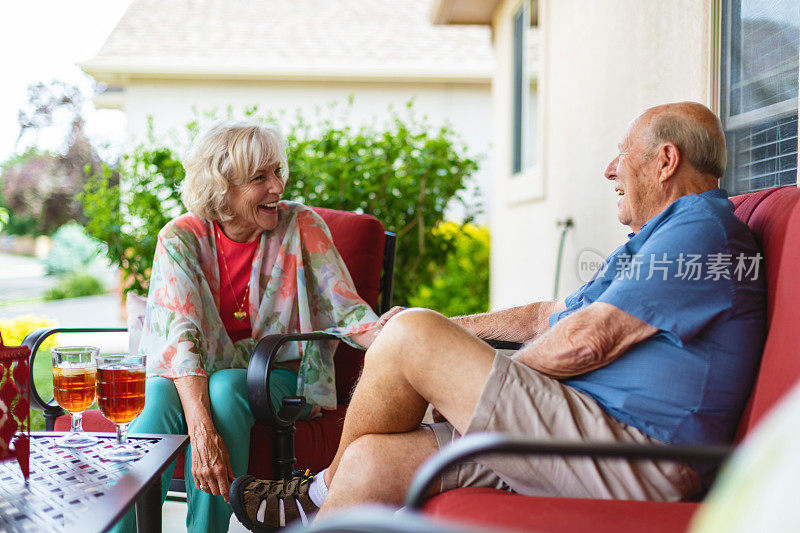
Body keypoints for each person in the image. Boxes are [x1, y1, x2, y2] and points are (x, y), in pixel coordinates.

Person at [229, 102, 768, 531]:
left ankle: (315, 494)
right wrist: (457, 336)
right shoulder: (651, 241)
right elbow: (545, 316)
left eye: (621, 154)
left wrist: (458, 389)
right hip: (578, 429)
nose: (610, 169)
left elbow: (586, 342)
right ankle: (324, 495)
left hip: (632, 455)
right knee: (372, 458)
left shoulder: (701, 233)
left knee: (414, 333)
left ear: (666, 161)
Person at [113, 121, 387, 533]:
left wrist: (397, 335)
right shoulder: (181, 238)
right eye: (260, 178)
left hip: (276, 376)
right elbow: (180, 338)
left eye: (278, 171)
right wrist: (200, 430)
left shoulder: (301, 225)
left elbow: (348, 312)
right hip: (196, 372)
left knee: (225, 388)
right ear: (221, 188)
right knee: (156, 397)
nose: (277, 187)